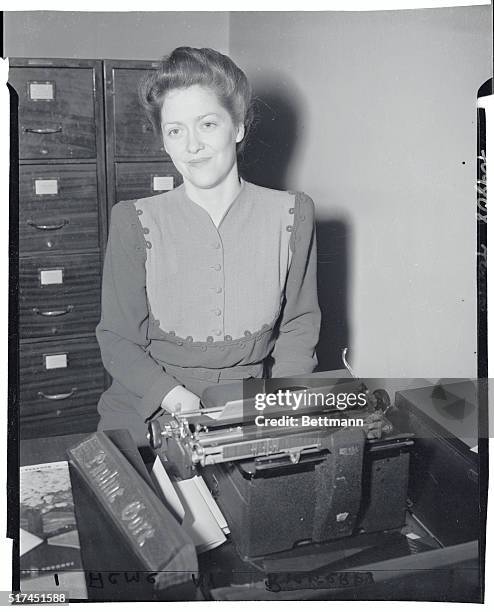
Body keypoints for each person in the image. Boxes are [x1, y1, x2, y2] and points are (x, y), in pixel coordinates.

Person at [96, 47, 321, 447]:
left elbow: (299, 326)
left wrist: (285, 405)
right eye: (176, 130)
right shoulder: (132, 220)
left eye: (208, 124)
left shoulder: (294, 215)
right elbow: (117, 339)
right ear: (164, 142)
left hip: (246, 405)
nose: (192, 145)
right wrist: (180, 402)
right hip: (149, 405)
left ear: (238, 128)